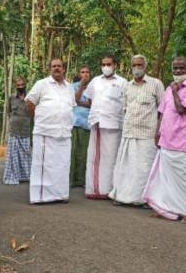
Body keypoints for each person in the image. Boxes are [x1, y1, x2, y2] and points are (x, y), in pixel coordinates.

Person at [142, 56, 186, 224]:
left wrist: (176, 91)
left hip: (182, 142)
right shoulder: (168, 89)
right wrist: (157, 132)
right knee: (166, 178)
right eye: (175, 68)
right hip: (166, 139)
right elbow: (163, 111)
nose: (178, 71)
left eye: (181, 68)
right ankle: (168, 210)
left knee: (184, 178)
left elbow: (181, 109)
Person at [109, 55, 164, 206]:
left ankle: (144, 199)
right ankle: (122, 196)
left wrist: (159, 132)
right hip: (129, 133)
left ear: (145, 66)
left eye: (140, 65)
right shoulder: (127, 86)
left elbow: (163, 110)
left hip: (147, 135)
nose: (137, 68)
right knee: (126, 167)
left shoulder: (156, 84)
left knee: (144, 168)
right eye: (134, 65)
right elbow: (125, 108)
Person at [25, 58, 75, 204]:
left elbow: (70, 106)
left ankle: (60, 195)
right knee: (43, 165)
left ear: (64, 69)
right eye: (53, 66)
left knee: (62, 165)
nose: (56, 68)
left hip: (64, 133)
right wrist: (39, 118)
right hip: (45, 131)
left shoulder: (69, 87)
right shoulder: (41, 84)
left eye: (59, 66)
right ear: (49, 69)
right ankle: (40, 197)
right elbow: (29, 102)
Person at [82, 55, 127, 199]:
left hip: (114, 124)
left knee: (111, 157)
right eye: (103, 64)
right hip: (97, 123)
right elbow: (89, 99)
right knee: (95, 158)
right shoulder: (95, 80)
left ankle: (110, 190)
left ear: (115, 65)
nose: (106, 67)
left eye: (109, 64)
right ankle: (94, 190)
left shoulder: (123, 82)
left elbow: (127, 102)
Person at [3, 77, 32, 185]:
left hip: (25, 130)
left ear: (25, 85)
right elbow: (8, 111)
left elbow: (33, 112)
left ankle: (26, 176)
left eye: (22, 85)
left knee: (26, 154)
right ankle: (13, 176)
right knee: (13, 155)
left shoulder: (30, 98)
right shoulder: (11, 98)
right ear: (15, 86)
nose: (20, 87)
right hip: (14, 130)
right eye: (18, 85)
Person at [70, 66, 91, 187]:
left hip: (87, 124)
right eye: (82, 72)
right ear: (79, 74)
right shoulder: (73, 86)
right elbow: (73, 100)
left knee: (83, 154)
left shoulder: (94, 86)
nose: (85, 74)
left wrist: (80, 103)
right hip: (74, 122)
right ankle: (71, 180)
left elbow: (94, 104)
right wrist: (81, 87)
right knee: (72, 152)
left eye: (87, 72)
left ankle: (81, 180)